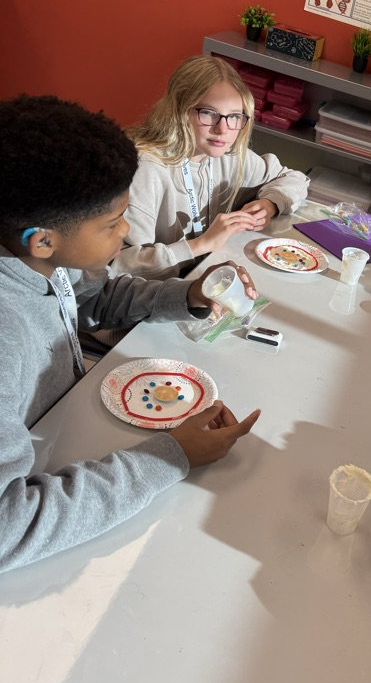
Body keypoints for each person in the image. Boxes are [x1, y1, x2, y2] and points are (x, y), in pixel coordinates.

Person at [0, 95, 261, 574]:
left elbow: (91, 301)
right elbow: (6, 529)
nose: (125, 233)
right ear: (42, 239)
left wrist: (189, 296)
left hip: (61, 435)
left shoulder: (37, 257)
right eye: (110, 224)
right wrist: (168, 456)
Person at [110, 54, 310, 280]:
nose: (223, 129)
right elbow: (117, 267)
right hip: (153, 297)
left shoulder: (227, 154)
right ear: (179, 111)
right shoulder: (145, 170)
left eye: (234, 116)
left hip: (202, 278)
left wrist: (271, 203)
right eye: (208, 113)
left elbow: (293, 177)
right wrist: (200, 244)